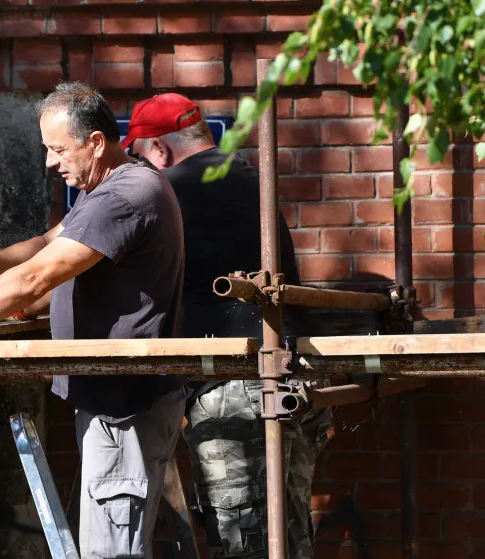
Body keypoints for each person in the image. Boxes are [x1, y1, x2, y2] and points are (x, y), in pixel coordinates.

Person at [0, 81, 188, 559]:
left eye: (58, 149)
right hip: (118, 403)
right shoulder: (112, 185)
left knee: (111, 553)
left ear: (95, 142)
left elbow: (37, 276)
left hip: (124, 409)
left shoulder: (125, 195)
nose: (50, 162)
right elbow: (51, 242)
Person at [120, 93, 333, 559]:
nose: (142, 170)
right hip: (294, 374)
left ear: (159, 149)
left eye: (140, 158)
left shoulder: (167, 190)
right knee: (289, 537)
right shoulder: (250, 177)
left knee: (244, 545)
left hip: (236, 387)